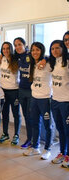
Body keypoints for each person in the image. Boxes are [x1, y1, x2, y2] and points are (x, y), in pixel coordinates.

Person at [23, 42, 52, 160]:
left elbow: (56, 57)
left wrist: (46, 58)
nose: (35, 52)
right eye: (33, 50)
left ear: (42, 51)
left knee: (47, 125)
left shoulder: (48, 63)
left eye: (37, 50)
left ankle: (47, 149)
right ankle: (35, 147)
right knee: (34, 123)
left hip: (45, 98)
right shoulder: (32, 64)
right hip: (34, 97)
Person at [49, 40, 69, 168]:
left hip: (66, 101)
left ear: (63, 48)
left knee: (68, 130)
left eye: (57, 48)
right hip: (55, 100)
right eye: (52, 49)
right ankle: (62, 152)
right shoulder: (52, 62)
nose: (55, 51)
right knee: (60, 129)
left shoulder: (67, 63)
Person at [0, 42, 21, 145]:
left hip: (14, 90)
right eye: (3, 48)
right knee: (5, 113)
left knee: (16, 114)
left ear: (11, 49)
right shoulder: (1, 59)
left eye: (7, 48)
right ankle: (5, 134)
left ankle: (16, 135)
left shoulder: (16, 59)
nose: (5, 50)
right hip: (3, 90)